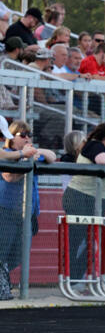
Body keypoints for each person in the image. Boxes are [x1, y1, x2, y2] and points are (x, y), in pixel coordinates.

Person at [62, 122, 105, 284]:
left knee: (93, 242)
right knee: (76, 241)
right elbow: (102, 161)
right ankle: (70, 279)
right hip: (79, 196)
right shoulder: (94, 145)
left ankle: (75, 279)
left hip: (97, 200)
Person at [0, 120, 56, 300]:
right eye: (22, 135)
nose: (27, 138)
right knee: (2, 252)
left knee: (19, 255)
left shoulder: (28, 152)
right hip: (7, 211)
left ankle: (4, 279)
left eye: (29, 135)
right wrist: (23, 157)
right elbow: (9, 177)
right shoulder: (6, 154)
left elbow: (52, 156)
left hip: (28, 213)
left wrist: (34, 153)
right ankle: (3, 287)